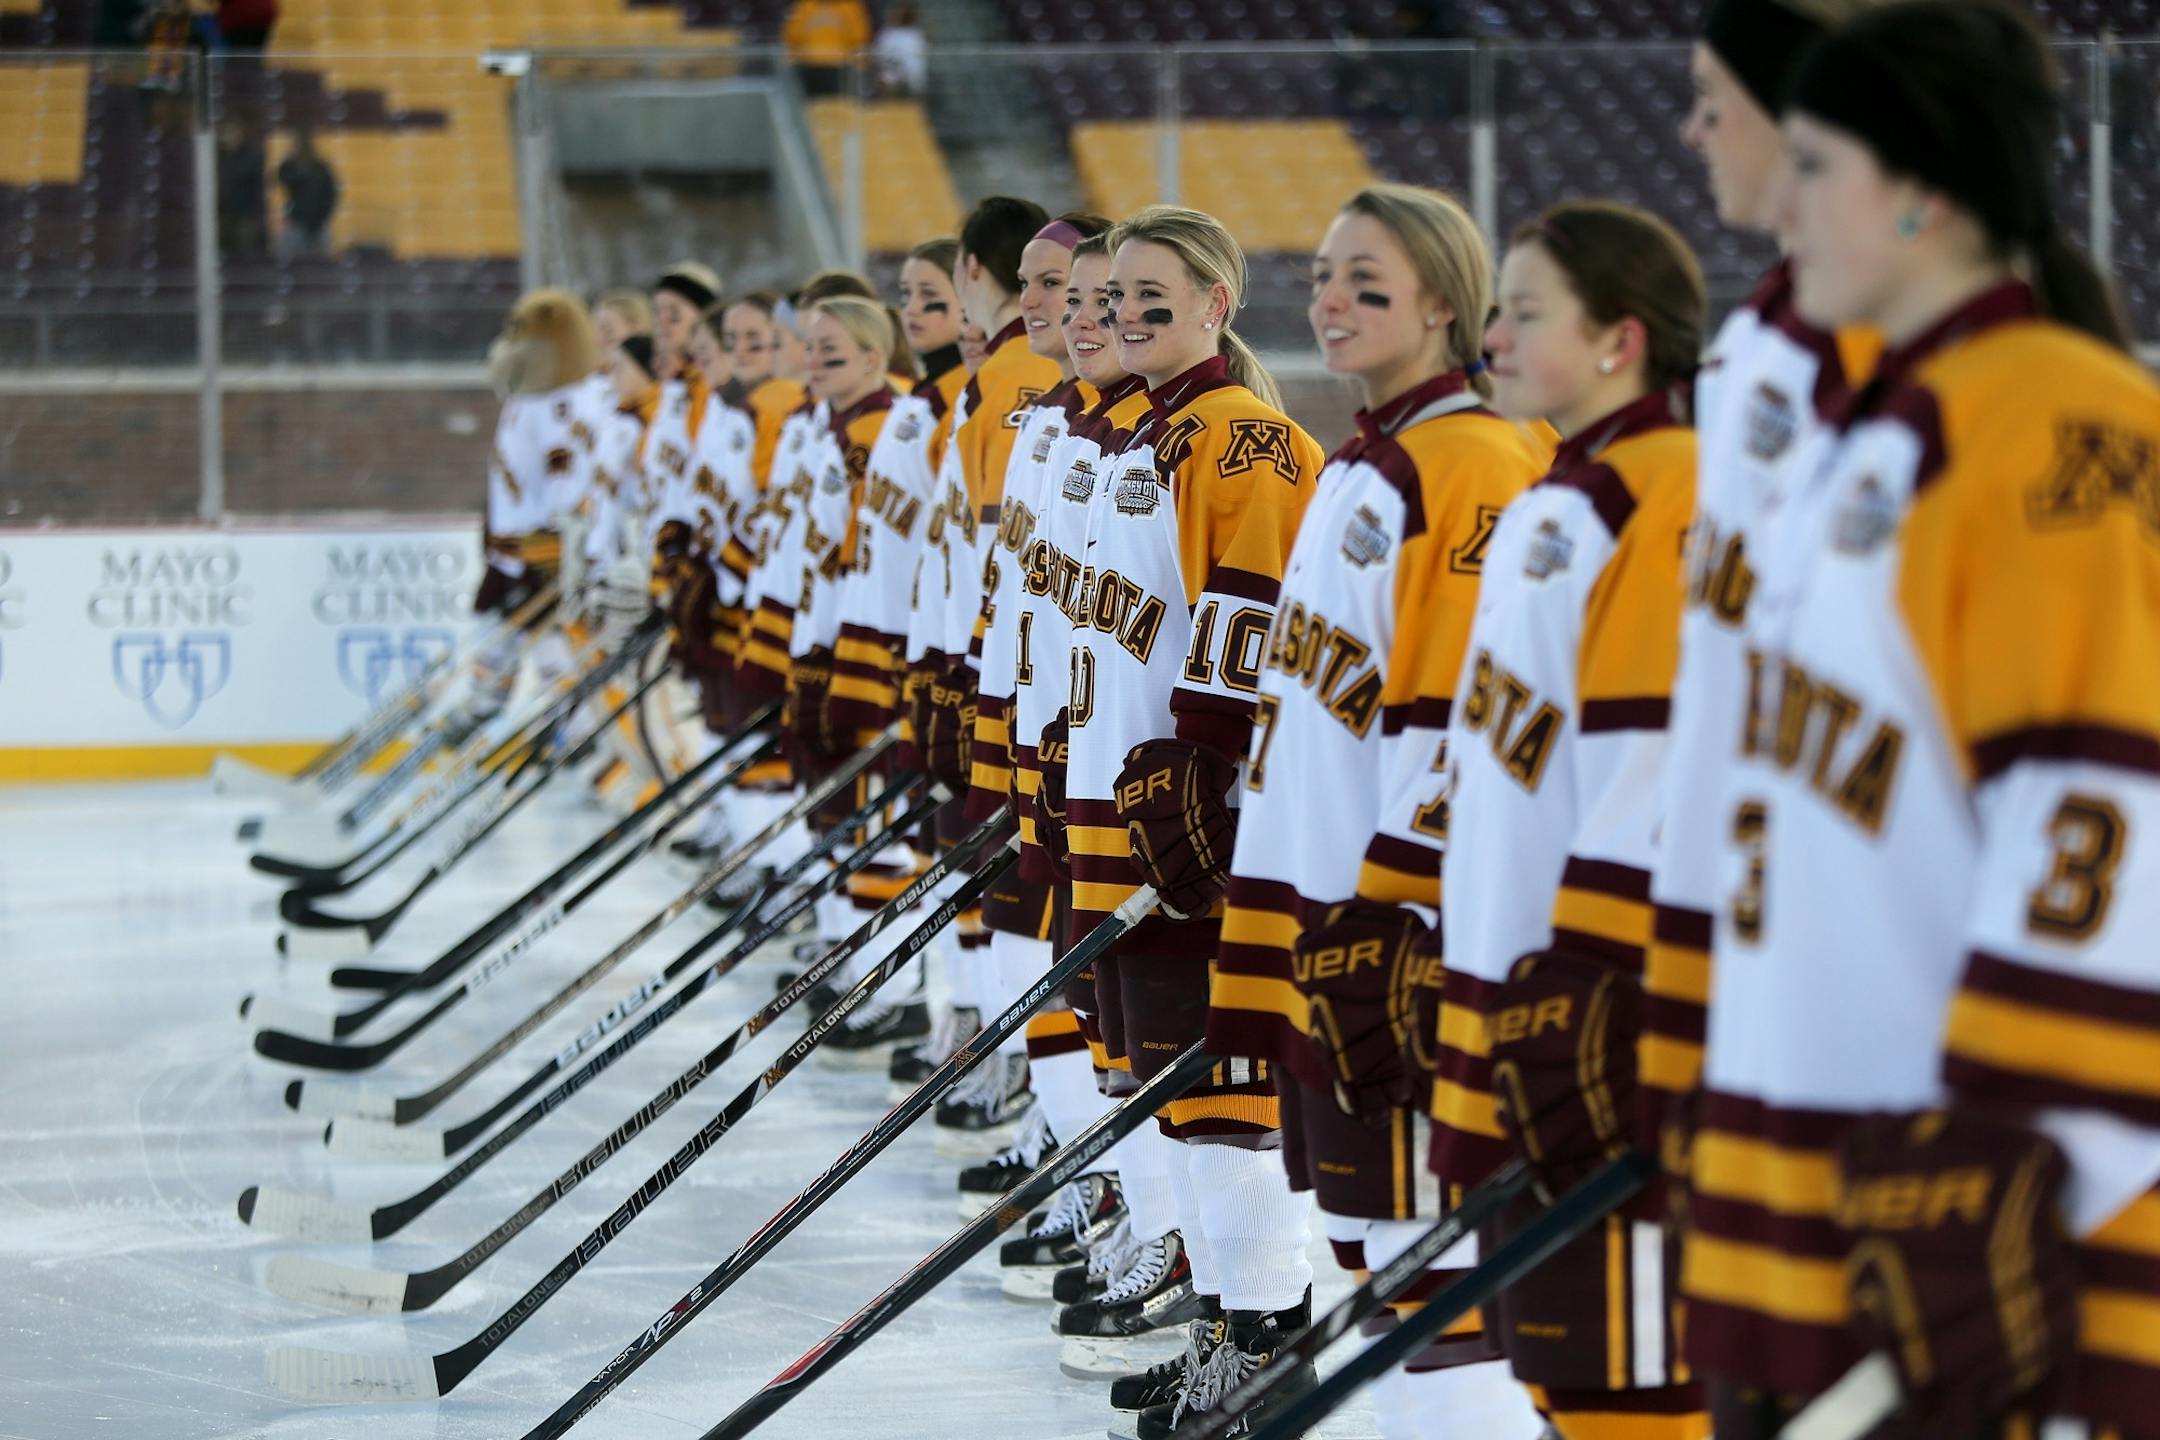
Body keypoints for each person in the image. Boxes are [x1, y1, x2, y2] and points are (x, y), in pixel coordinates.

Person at [1675, 6, 2156, 1438]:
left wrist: (2004, 1165)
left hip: (1988, 1228)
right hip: (1833, 1183)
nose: (1783, 205)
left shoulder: (2054, 420)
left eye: (1813, 164)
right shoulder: (1868, 439)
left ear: (1922, 191)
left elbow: (2103, 822)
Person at [1198, 182, 1550, 1440]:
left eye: (1369, 282)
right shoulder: (1368, 458)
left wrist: (1394, 920)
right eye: (1325, 276)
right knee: (1367, 1244)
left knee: (1422, 1263)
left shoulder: (1473, 464)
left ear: (1447, 305)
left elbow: (1467, 730)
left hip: (1392, 933)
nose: (1331, 300)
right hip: (1326, 912)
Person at [1419, 199, 1707, 1440]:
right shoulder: (1557, 489)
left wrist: (1588, 984)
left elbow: (1653, 772)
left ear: (1620, 339)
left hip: (1590, 1007)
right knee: (1553, 1358)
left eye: (1527, 310)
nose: (1494, 332)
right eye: (1497, 307)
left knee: (1626, 1370)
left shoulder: (1667, 490)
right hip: (1512, 979)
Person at [1034, 205, 1325, 1429]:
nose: (1128, 315)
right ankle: (1221, 1316)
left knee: (1220, 1090)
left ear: (1218, 301)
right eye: (1116, 299)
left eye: (1158, 294)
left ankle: (1267, 1334)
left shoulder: (1241, 439)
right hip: (1117, 809)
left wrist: (1202, 770)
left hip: (1191, 826)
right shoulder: (1141, 436)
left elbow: (1247, 616)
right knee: (1162, 1080)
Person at [1634, 0, 1875, 1228]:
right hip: (1753, 904)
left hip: (1864, 951)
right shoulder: (1751, 349)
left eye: (1714, 101)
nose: (1692, 130)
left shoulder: (1904, 363)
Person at [993, 229, 1157, 1299]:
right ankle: (1109, 1185)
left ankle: (1157, 1223)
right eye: (1062, 294)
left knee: (1125, 1021)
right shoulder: (1058, 426)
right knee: (1065, 986)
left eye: (1102, 296)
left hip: (1123, 781)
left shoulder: (1175, 444)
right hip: (1060, 754)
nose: (1080, 315)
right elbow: (1036, 598)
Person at [952, 211, 1115, 1206]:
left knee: (1091, 985)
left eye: (1058, 284)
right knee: (1035, 957)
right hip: (1037, 739)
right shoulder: (1048, 418)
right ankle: (1072, 1159)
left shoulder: (1094, 425)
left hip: (1095, 760)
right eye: (1036, 284)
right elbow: (1016, 590)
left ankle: (1107, 1188)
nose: (1038, 304)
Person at [782, 0, 871, 98]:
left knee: (838, 103)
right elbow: (792, 38)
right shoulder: (803, 6)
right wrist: (791, 63)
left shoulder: (851, 7)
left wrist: (859, 67)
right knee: (809, 104)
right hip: (809, 66)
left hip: (841, 67)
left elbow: (860, 40)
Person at [275, 128, 338, 260]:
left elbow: (331, 194)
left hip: (318, 223)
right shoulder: (292, 166)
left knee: (319, 263)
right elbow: (282, 177)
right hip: (298, 222)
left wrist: (324, 215)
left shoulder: (320, 167)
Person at [874, 2, 928, 97]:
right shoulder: (887, 33)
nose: (899, 15)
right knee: (886, 78)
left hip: (910, 72)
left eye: (903, 13)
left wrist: (905, 72)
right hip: (891, 68)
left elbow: (918, 56)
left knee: (913, 77)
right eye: (897, 13)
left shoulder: (915, 33)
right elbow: (880, 53)